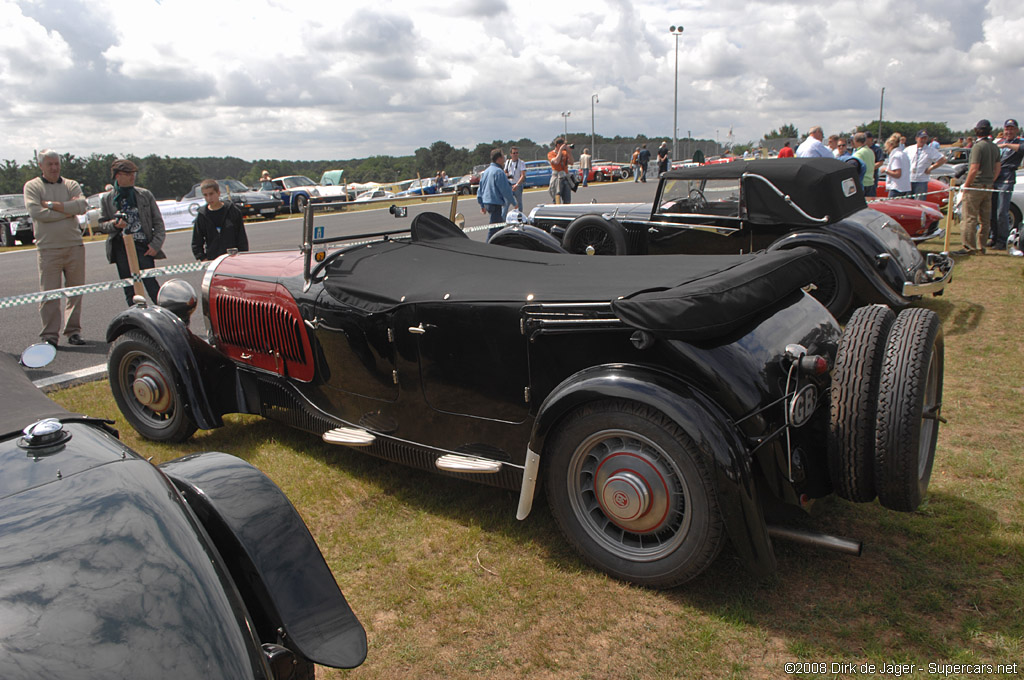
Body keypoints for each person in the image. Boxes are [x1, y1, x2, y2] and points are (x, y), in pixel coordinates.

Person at [22, 149, 88, 347]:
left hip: (74, 246)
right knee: (49, 294)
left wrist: (51, 205)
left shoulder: (71, 184)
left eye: (56, 163)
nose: (54, 167)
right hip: (48, 248)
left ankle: (73, 331)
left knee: (75, 292)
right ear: (41, 166)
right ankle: (50, 335)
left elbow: (82, 206)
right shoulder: (32, 187)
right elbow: (37, 212)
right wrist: (68, 210)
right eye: (49, 164)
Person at [101, 159, 166, 305]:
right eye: (128, 174)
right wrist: (115, 224)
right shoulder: (107, 198)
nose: (132, 177)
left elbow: (159, 223)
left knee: (152, 285)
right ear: (117, 176)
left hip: (143, 247)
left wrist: (156, 245)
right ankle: (137, 320)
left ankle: (165, 316)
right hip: (121, 248)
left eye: (134, 174)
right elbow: (102, 224)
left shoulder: (145, 194)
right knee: (129, 289)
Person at [955, 120, 1000, 255]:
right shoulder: (994, 147)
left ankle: (969, 247)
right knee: (985, 219)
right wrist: (991, 180)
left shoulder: (977, 147)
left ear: (976, 131)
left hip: (976, 185)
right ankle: (982, 247)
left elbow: (974, 168)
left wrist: (966, 186)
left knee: (970, 218)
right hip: (988, 186)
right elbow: (998, 167)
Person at [191, 179, 249, 261]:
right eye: (205, 195)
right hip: (213, 260)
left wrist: (242, 255)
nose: (209, 198)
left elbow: (241, 237)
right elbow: (196, 241)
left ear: (218, 193)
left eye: (211, 194)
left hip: (234, 259)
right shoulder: (202, 215)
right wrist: (203, 258)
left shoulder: (232, 211)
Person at [990, 118, 1023, 250]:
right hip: (995, 176)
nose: (1009, 131)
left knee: (1002, 211)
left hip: (1007, 177)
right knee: (992, 210)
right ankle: (993, 236)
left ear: (1016, 130)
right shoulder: (998, 142)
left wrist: (1007, 145)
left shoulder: (1019, 142)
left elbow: (1022, 148)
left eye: (1011, 129)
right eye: (1007, 129)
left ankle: (1002, 240)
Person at [478, 148, 516, 238]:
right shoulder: (499, 172)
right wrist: (514, 202)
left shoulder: (486, 172)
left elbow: (480, 190)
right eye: (503, 157)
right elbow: (505, 190)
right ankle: (489, 247)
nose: (504, 160)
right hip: (495, 203)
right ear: (498, 159)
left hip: (487, 202)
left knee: (500, 226)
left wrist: (482, 205)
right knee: (494, 229)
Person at [907, 130, 946, 199]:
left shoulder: (930, 150)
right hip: (909, 179)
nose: (923, 140)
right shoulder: (909, 149)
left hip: (921, 180)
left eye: (925, 138)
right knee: (907, 202)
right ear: (916, 138)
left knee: (919, 202)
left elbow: (942, 159)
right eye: (921, 138)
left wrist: (931, 167)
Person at [881, 133, 911, 197]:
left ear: (890, 145)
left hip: (896, 188)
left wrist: (885, 170)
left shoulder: (896, 156)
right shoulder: (903, 154)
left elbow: (897, 174)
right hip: (905, 187)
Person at [547, 137, 574, 204]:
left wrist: (569, 152)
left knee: (567, 200)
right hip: (557, 177)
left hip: (565, 177)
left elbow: (571, 162)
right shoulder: (551, 154)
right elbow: (556, 161)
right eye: (563, 144)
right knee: (557, 199)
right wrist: (560, 151)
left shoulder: (565, 153)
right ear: (558, 145)